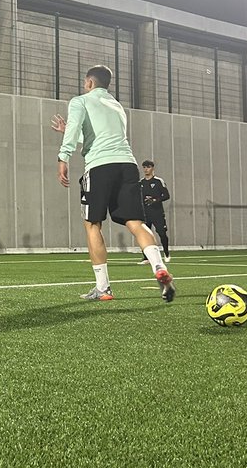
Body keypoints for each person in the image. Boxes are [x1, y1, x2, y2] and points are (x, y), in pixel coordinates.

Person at [52, 65, 175, 303]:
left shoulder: (80, 101)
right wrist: (69, 132)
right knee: (136, 223)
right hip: (127, 165)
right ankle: (159, 268)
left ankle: (103, 288)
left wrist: (63, 156)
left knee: (92, 224)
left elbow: (81, 132)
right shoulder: (117, 106)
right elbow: (99, 136)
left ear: (89, 82)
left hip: (99, 167)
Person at [137, 160, 170, 264]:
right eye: (144, 167)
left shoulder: (158, 181)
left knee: (162, 233)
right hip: (145, 214)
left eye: (148, 167)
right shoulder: (141, 183)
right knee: (144, 235)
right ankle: (146, 257)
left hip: (157, 213)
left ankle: (166, 253)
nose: (146, 169)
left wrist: (155, 200)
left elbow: (166, 195)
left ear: (152, 168)